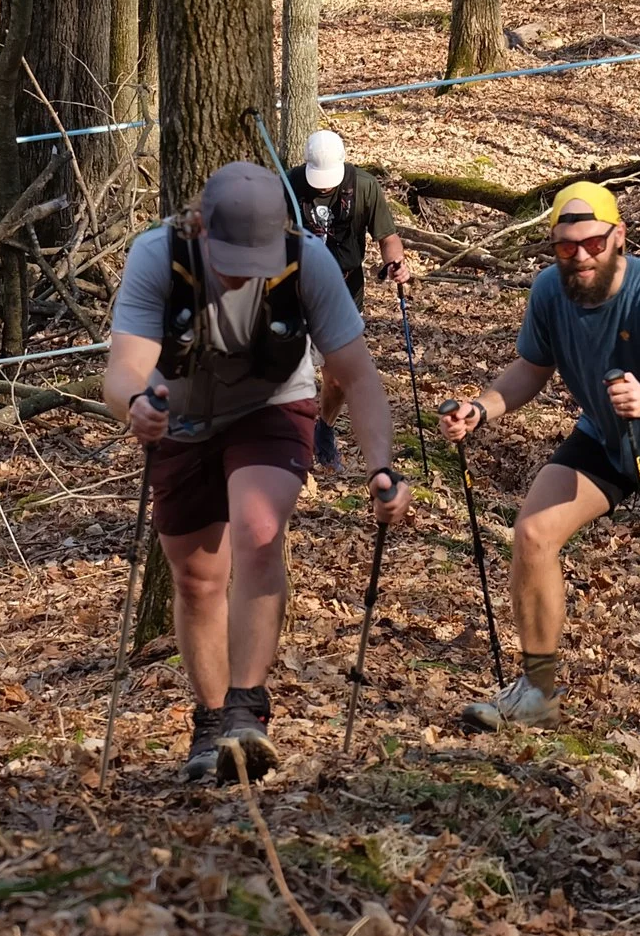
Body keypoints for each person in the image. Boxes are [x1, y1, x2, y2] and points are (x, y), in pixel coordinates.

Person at [106, 161, 411, 784]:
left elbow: (358, 376)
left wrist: (380, 464)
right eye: (231, 255)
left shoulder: (309, 262)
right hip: (180, 417)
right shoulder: (158, 256)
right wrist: (135, 407)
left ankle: (248, 711)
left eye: (257, 255)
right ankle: (212, 723)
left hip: (273, 405)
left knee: (258, 529)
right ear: (200, 228)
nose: (245, 268)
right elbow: (124, 370)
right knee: (195, 579)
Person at [436, 181, 640, 777]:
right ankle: (538, 691)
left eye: (593, 243)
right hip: (606, 439)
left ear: (618, 237)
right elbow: (531, 367)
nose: (580, 258)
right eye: (565, 248)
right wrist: (481, 408)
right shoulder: (551, 291)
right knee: (532, 535)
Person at [287, 129, 411, 469]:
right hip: (295, 293)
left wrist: (395, 262)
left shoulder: (365, 187)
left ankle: (323, 430)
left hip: (344, 291)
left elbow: (387, 236)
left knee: (339, 378)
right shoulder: (288, 186)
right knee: (292, 374)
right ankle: (290, 439)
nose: (324, 186)